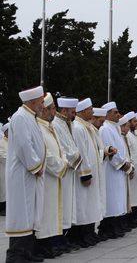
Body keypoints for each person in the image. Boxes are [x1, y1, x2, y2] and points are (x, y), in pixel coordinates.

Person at [5, 86, 46, 263]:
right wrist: (36, 166)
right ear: (33, 101)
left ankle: (27, 252)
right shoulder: (20, 117)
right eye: (42, 102)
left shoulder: (30, 117)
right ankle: (15, 255)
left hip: (30, 175)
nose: (43, 105)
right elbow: (24, 146)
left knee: (30, 214)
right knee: (22, 215)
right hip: (22, 175)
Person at [34, 93, 68, 258]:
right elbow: (44, 154)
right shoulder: (38, 127)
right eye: (53, 108)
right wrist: (60, 166)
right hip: (47, 177)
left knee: (52, 212)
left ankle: (49, 244)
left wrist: (64, 162)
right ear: (44, 110)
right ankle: (42, 246)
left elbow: (60, 149)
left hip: (55, 178)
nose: (55, 112)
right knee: (45, 213)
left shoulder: (49, 127)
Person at [70, 99, 104, 247]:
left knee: (90, 204)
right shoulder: (78, 127)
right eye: (90, 109)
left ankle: (89, 232)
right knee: (83, 205)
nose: (92, 112)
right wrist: (85, 174)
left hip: (93, 172)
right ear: (83, 111)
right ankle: (81, 235)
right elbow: (81, 153)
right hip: (84, 175)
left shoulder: (87, 126)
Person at [98, 105, 133, 239]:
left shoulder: (115, 128)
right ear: (107, 114)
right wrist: (122, 164)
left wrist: (125, 163)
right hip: (111, 170)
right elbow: (111, 151)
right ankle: (107, 228)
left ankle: (116, 225)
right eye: (115, 112)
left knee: (118, 199)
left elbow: (121, 149)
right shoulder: (106, 129)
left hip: (118, 171)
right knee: (111, 200)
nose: (118, 114)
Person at [51, 97, 82, 252]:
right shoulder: (57, 125)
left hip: (69, 172)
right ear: (64, 111)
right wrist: (77, 156)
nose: (74, 115)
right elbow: (63, 148)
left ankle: (64, 237)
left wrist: (76, 155)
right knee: (62, 206)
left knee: (68, 206)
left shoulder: (66, 124)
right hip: (63, 171)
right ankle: (59, 239)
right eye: (72, 112)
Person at [89, 107, 109, 241]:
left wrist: (106, 151)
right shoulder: (84, 129)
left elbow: (98, 150)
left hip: (97, 171)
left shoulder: (94, 131)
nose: (102, 124)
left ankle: (90, 232)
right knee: (89, 205)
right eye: (101, 121)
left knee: (94, 203)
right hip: (89, 173)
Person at [0, 122, 8, 217]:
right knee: (4, 191)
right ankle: (2, 209)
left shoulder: (11, 141)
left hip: (10, 169)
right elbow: (2, 155)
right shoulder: (1, 142)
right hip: (3, 169)